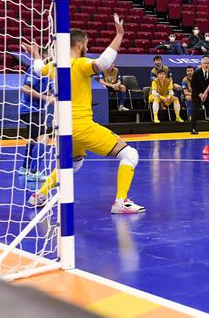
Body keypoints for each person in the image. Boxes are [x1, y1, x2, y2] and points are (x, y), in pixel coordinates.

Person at [26, 14, 144, 213]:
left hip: (64, 129)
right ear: (79, 44)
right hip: (82, 126)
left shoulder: (56, 66)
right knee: (130, 154)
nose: (87, 47)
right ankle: (121, 201)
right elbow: (104, 63)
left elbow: (38, 69)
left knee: (73, 164)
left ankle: (40, 195)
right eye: (87, 43)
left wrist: (36, 54)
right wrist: (119, 34)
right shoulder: (79, 64)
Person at [18, 62, 54, 181]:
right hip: (29, 110)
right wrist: (46, 98)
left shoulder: (49, 73)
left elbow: (49, 91)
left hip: (36, 111)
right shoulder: (35, 69)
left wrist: (54, 96)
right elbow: (26, 88)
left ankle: (25, 168)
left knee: (34, 139)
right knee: (44, 137)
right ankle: (34, 172)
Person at [190, 56, 209, 135]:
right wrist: (200, 94)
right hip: (197, 94)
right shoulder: (197, 72)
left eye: (207, 63)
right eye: (204, 63)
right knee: (195, 111)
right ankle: (193, 129)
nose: (206, 65)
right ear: (201, 64)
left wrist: (207, 92)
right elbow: (193, 85)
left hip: (207, 93)